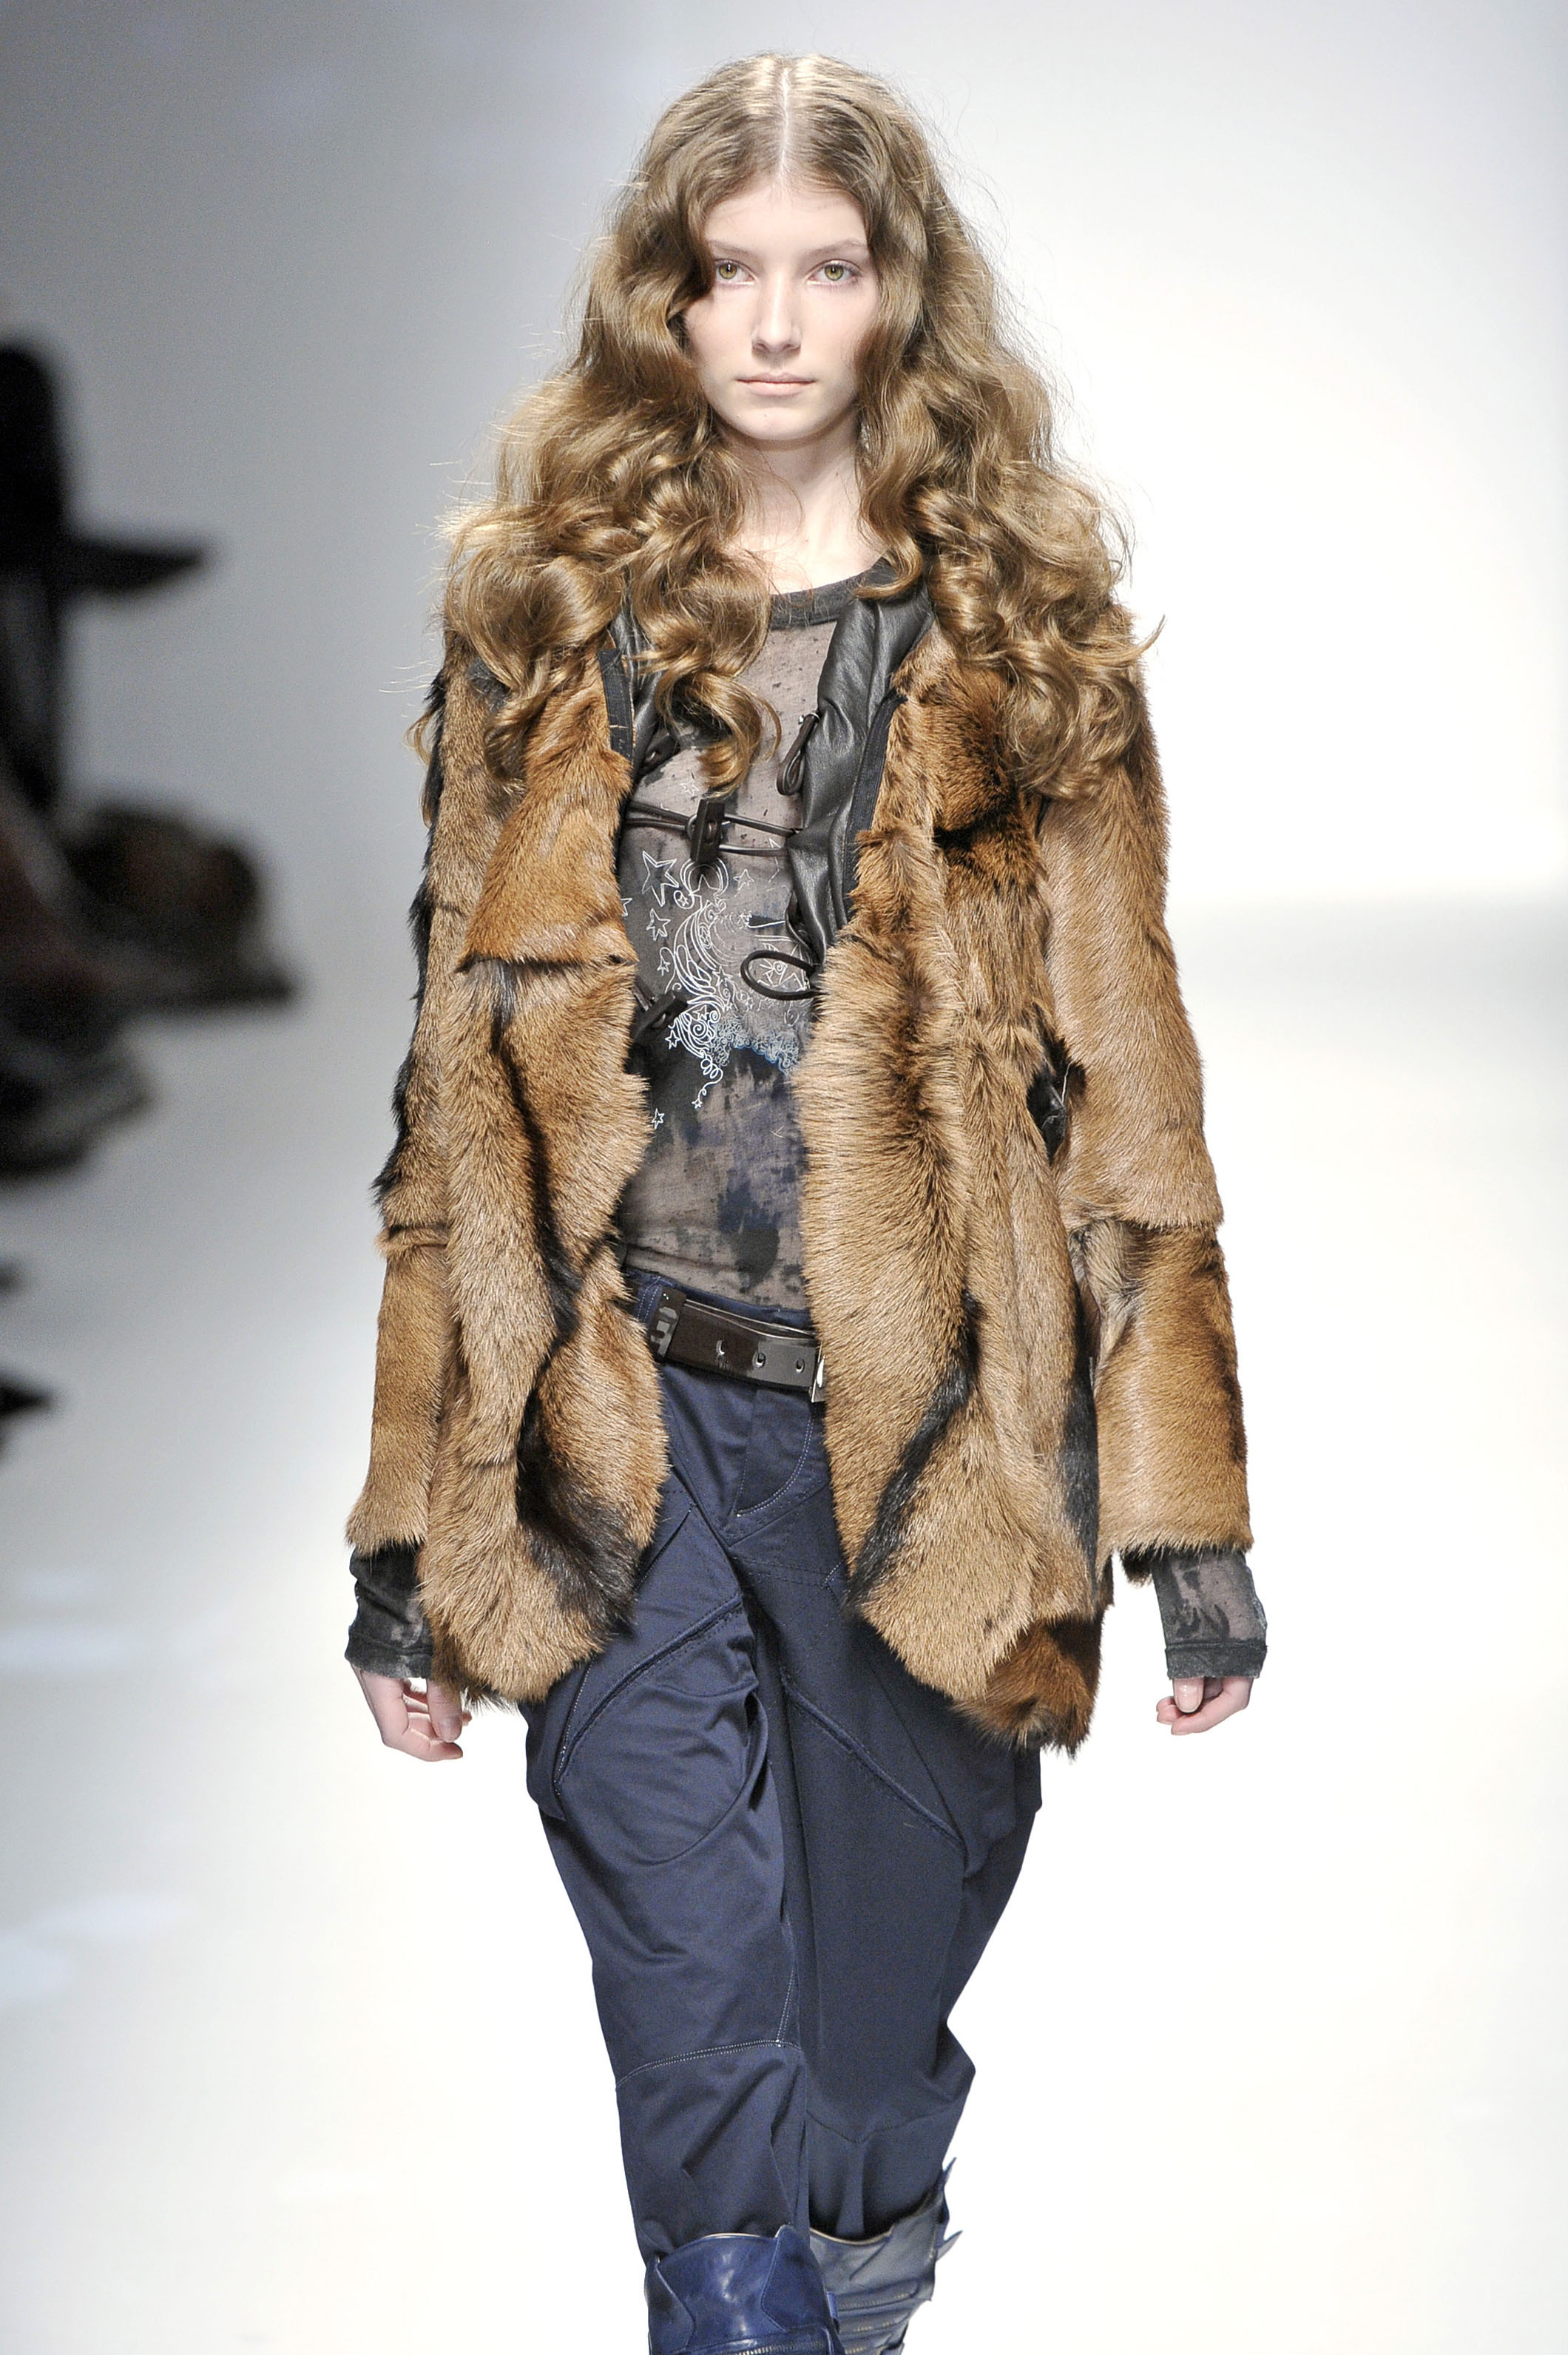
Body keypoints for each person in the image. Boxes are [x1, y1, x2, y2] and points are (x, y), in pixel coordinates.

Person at [345, 53, 1267, 2355]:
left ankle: (843, 2286)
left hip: (933, 1447)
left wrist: (1191, 1516)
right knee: (697, 2025)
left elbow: (1129, 1074)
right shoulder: (537, 614)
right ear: (657, 297)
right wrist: (401, 1533)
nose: (771, 323)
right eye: (725, 269)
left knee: (856, 2072)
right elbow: (452, 1098)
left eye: (824, 270)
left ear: (897, 295)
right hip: (614, 1428)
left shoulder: (1025, 628)